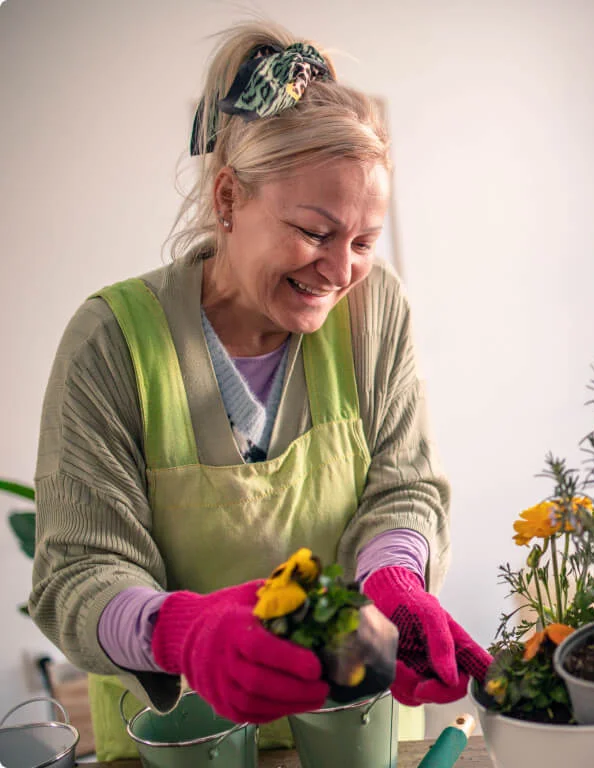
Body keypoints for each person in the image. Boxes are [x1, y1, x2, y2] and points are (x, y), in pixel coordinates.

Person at [28, 20, 491, 762]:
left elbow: (403, 488)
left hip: (355, 735)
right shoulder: (111, 344)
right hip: (185, 744)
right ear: (227, 199)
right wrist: (181, 631)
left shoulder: (375, 313)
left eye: (364, 242)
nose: (341, 272)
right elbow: (78, 570)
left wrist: (395, 576)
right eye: (314, 232)